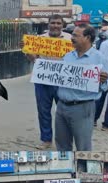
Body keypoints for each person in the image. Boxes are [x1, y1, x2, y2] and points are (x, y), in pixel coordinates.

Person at [55, 23, 108, 151]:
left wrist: (102, 81)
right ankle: (66, 170)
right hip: (62, 106)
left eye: (75, 35)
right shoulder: (68, 56)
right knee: (62, 146)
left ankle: (83, 170)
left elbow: (106, 85)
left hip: (83, 107)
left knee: (83, 147)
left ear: (87, 38)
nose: (72, 37)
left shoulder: (99, 58)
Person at [25, 15, 72, 150]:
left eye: (58, 23)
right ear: (48, 24)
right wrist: (28, 51)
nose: (55, 25)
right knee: (43, 110)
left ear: (62, 25)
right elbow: (32, 58)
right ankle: (46, 139)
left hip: (63, 81)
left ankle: (64, 140)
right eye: (53, 23)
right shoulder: (39, 40)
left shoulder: (70, 39)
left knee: (64, 112)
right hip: (42, 81)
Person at [94, 35, 108, 131]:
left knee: (99, 96)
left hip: (103, 72)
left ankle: (93, 120)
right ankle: (107, 124)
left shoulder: (104, 43)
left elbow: (99, 56)